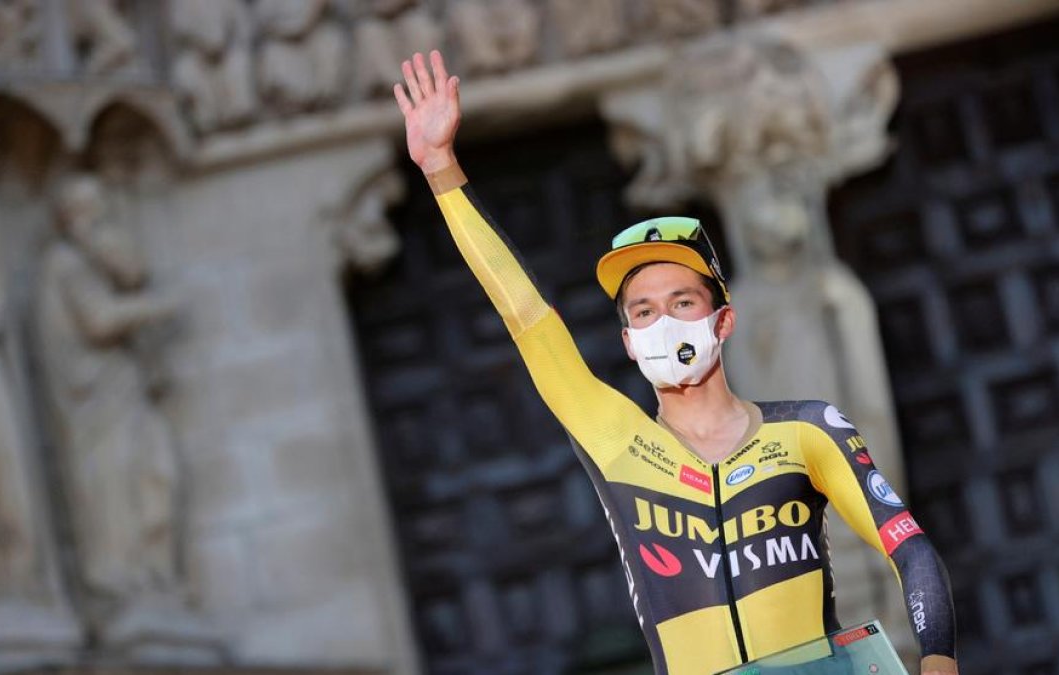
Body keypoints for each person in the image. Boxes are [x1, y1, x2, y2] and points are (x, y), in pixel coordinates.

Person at [392, 51, 958, 675]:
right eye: (642, 312)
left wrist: (937, 663)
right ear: (630, 342)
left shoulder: (807, 430)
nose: (662, 323)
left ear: (723, 320)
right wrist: (441, 168)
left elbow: (911, 551)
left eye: (682, 301)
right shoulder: (614, 435)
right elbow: (525, 314)